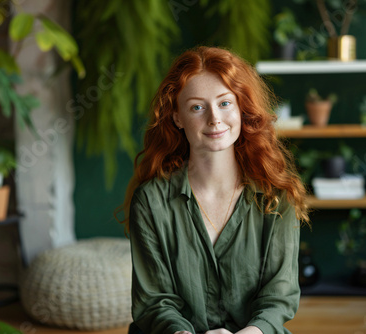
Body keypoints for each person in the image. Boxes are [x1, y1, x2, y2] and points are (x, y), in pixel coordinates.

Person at [120, 46, 309, 334]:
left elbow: (278, 296)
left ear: (241, 107)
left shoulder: (276, 196)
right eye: (197, 107)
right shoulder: (151, 201)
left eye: (224, 103)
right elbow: (154, 303)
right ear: (177, 117)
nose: (214, 118)